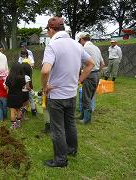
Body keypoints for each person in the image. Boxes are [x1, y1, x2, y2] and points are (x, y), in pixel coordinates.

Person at [41, 17, 94, 168]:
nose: (48, 33)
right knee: (70, 124)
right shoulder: (76, 45)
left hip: (56, 96)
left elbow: (45, 71)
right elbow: (91, 64)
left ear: (51, 29)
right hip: (71, 94)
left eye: (48, 30)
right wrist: (79, 80)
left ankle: (61, 160)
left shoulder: (52, 45)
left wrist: (45, 87)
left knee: (57, 128)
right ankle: (72, 149)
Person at [76, 32, 105, 124]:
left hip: (89, 74)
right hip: (96, 75)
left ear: (82, 40)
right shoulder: (97, 48)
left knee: (86, 97)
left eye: (79, 41)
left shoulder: (84, 48)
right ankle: (83, 115)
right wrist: (96, 72)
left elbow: (79, 64)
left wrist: (80, 76)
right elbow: (103, 64)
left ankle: (86, 119)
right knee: (90, 96)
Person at [5, 63, 25, 129]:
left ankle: (13, 125)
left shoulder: (9, 77)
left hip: (11, 95)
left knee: (12, 111)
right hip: (19, 95)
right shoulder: (22, 78)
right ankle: (18, 124)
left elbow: (6, 86)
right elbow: (23, 86)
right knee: (19, 109)